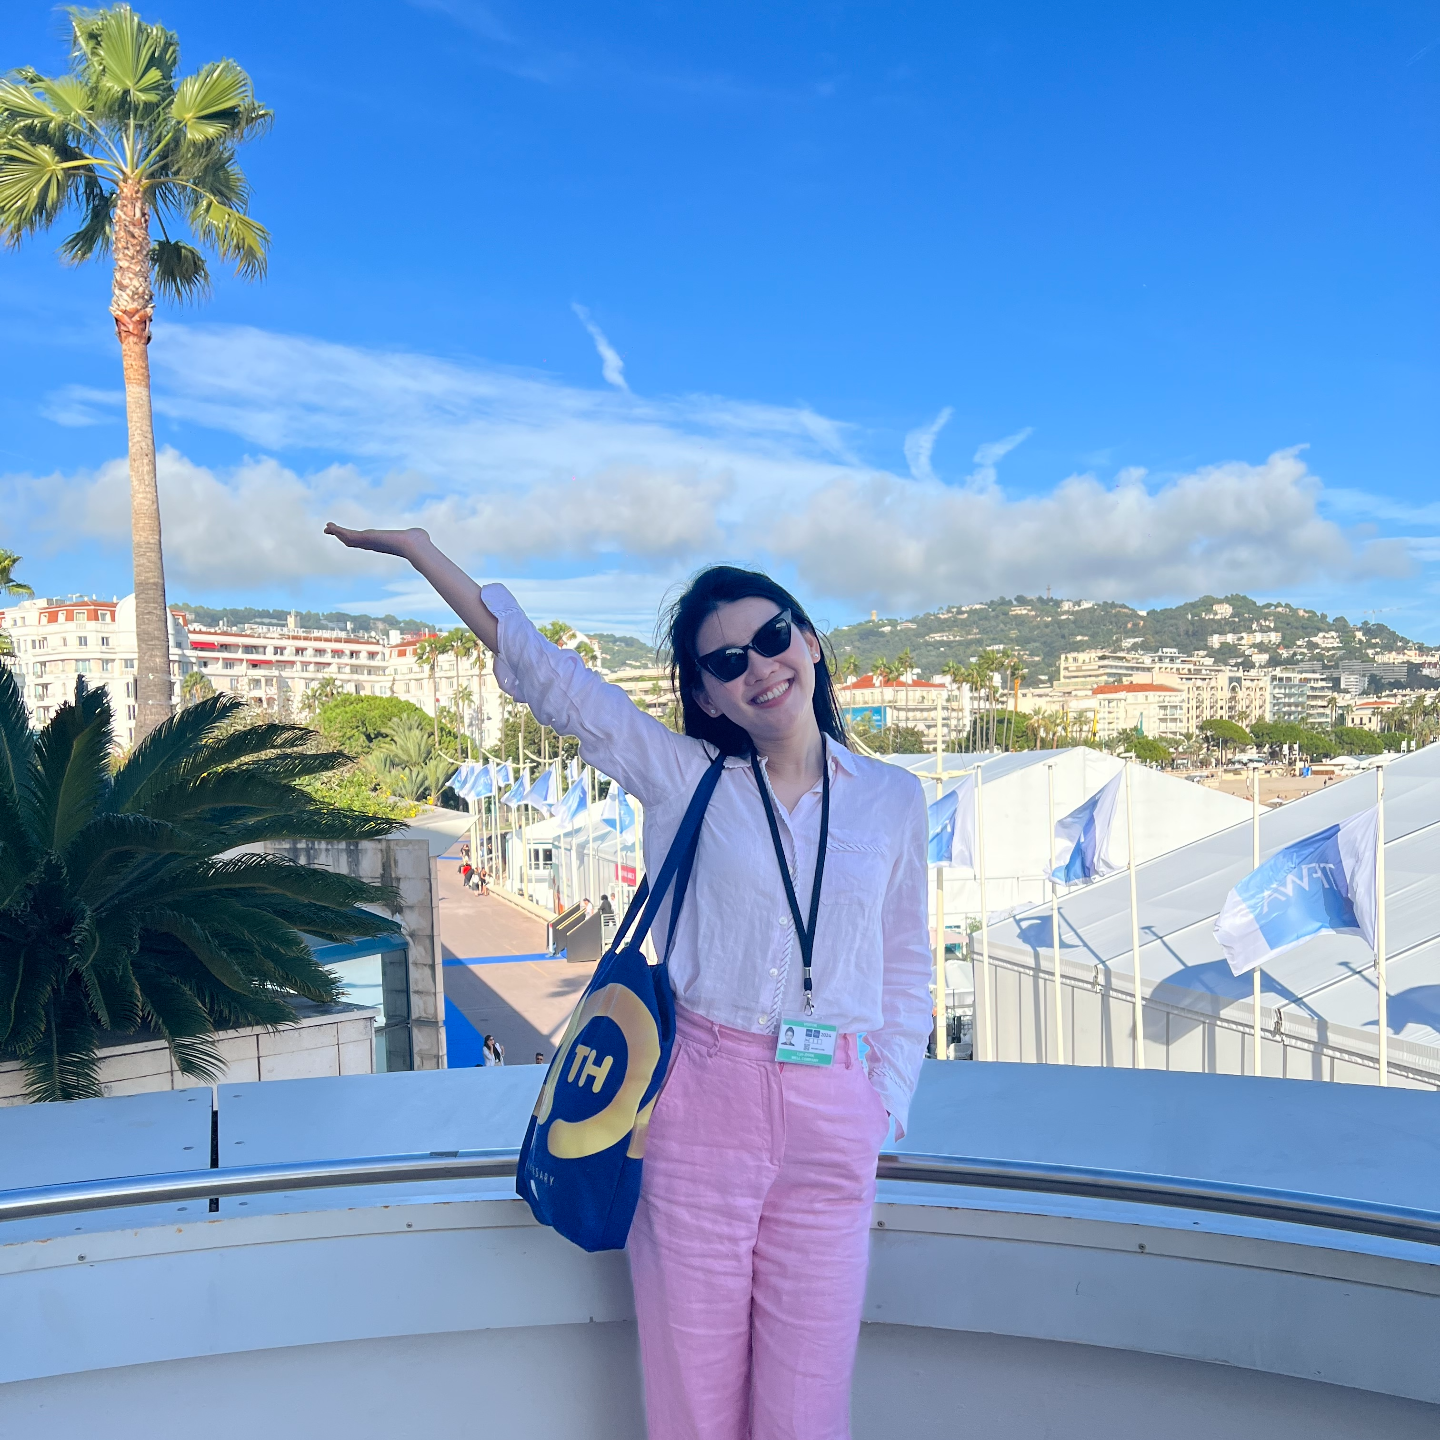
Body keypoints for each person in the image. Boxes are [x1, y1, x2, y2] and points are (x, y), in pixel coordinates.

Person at [325, 523, 931, 1440]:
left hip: (832, 1119)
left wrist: (883, 1102)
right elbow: (554, 680)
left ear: (808, 640)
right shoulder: (686, 778)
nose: (759, 667)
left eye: (772, 637)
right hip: (702, 1110)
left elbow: (906, 962)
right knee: (694, 1401)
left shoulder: (892, 799)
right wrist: (422, 554)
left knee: (808, 1411)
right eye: (726, 661)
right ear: (707, 693)